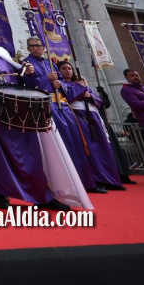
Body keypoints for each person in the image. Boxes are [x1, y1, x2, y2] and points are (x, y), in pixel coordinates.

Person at [0, 19, 90, 211]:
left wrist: (29, 71)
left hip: (16, 104)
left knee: (30, 148)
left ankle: (41, 194)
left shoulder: (1, 52)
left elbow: (22, 78)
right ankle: (0, 193)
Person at [22, 38, 104, 194]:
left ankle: (86, 182)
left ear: (43, 47)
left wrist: (61, 84)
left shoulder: (51, 63)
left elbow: (64, 83)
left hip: (63, 106)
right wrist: (47, 78)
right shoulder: (26, 64)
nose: (36, 48)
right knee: (62, 144)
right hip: (45, 106)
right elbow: (28, 85)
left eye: (38, 45)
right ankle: (65, 184)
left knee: (77, 142)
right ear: (28, 48)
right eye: (32, 46)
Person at [53, 61, 126, 191]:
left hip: (94, 117)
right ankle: (95, 179)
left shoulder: (80, 84)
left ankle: (109, 179)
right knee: (89, 150)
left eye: (69, 68)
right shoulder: (60, 84)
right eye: (64, 68)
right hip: (78, 117)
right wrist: (81, 91)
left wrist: (88, 94)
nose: (68, 71)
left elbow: (99, 100)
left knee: (103, 148)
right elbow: (68, 96)